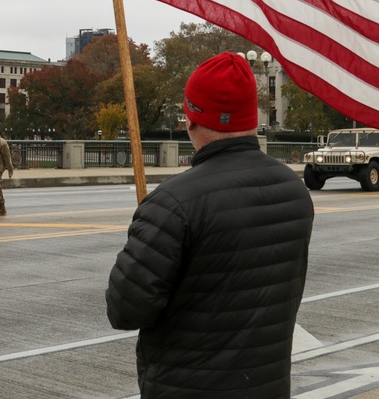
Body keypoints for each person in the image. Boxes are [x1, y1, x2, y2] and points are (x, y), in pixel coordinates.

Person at [105, 52, 314, 398]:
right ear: (251, 118)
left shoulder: (173, 203)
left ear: (191, 120)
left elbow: (125, 309)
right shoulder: (294, 191)